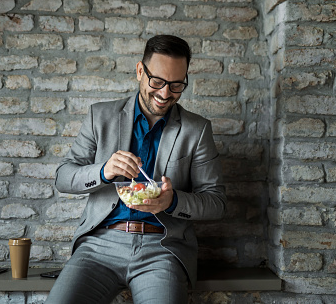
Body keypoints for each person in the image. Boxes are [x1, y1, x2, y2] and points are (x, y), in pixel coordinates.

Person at [47, 35, 226, 304]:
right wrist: (103, 171)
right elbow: (63, 177)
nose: (165, 94)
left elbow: (216, 202)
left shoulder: (197, 130)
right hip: (99, 245)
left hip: (162, 249)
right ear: (140, 71)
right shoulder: (100, 116)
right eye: (157, 82)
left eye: (177, 85)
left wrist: (172, 200)